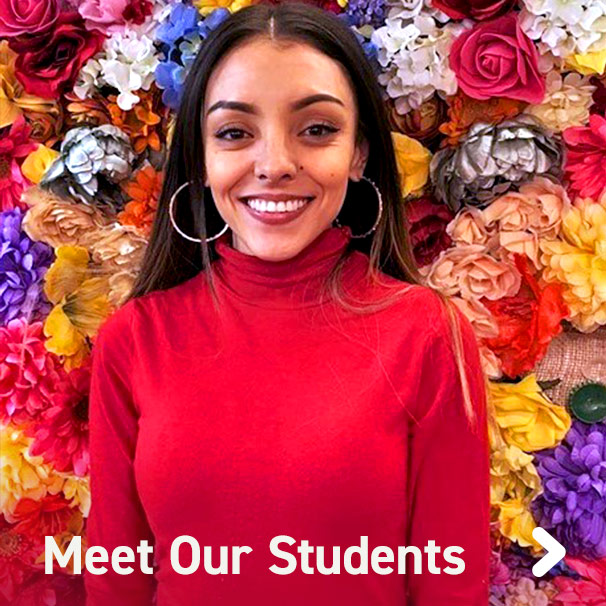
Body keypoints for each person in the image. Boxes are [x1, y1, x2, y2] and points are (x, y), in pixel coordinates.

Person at [84, 2, 490, 605]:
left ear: (359, 155)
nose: (274, 164)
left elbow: (450, 583)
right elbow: (117, 582)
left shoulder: (426, 333)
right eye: (234, 132)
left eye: (317, 129)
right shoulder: (135, 340)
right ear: (199, 158)